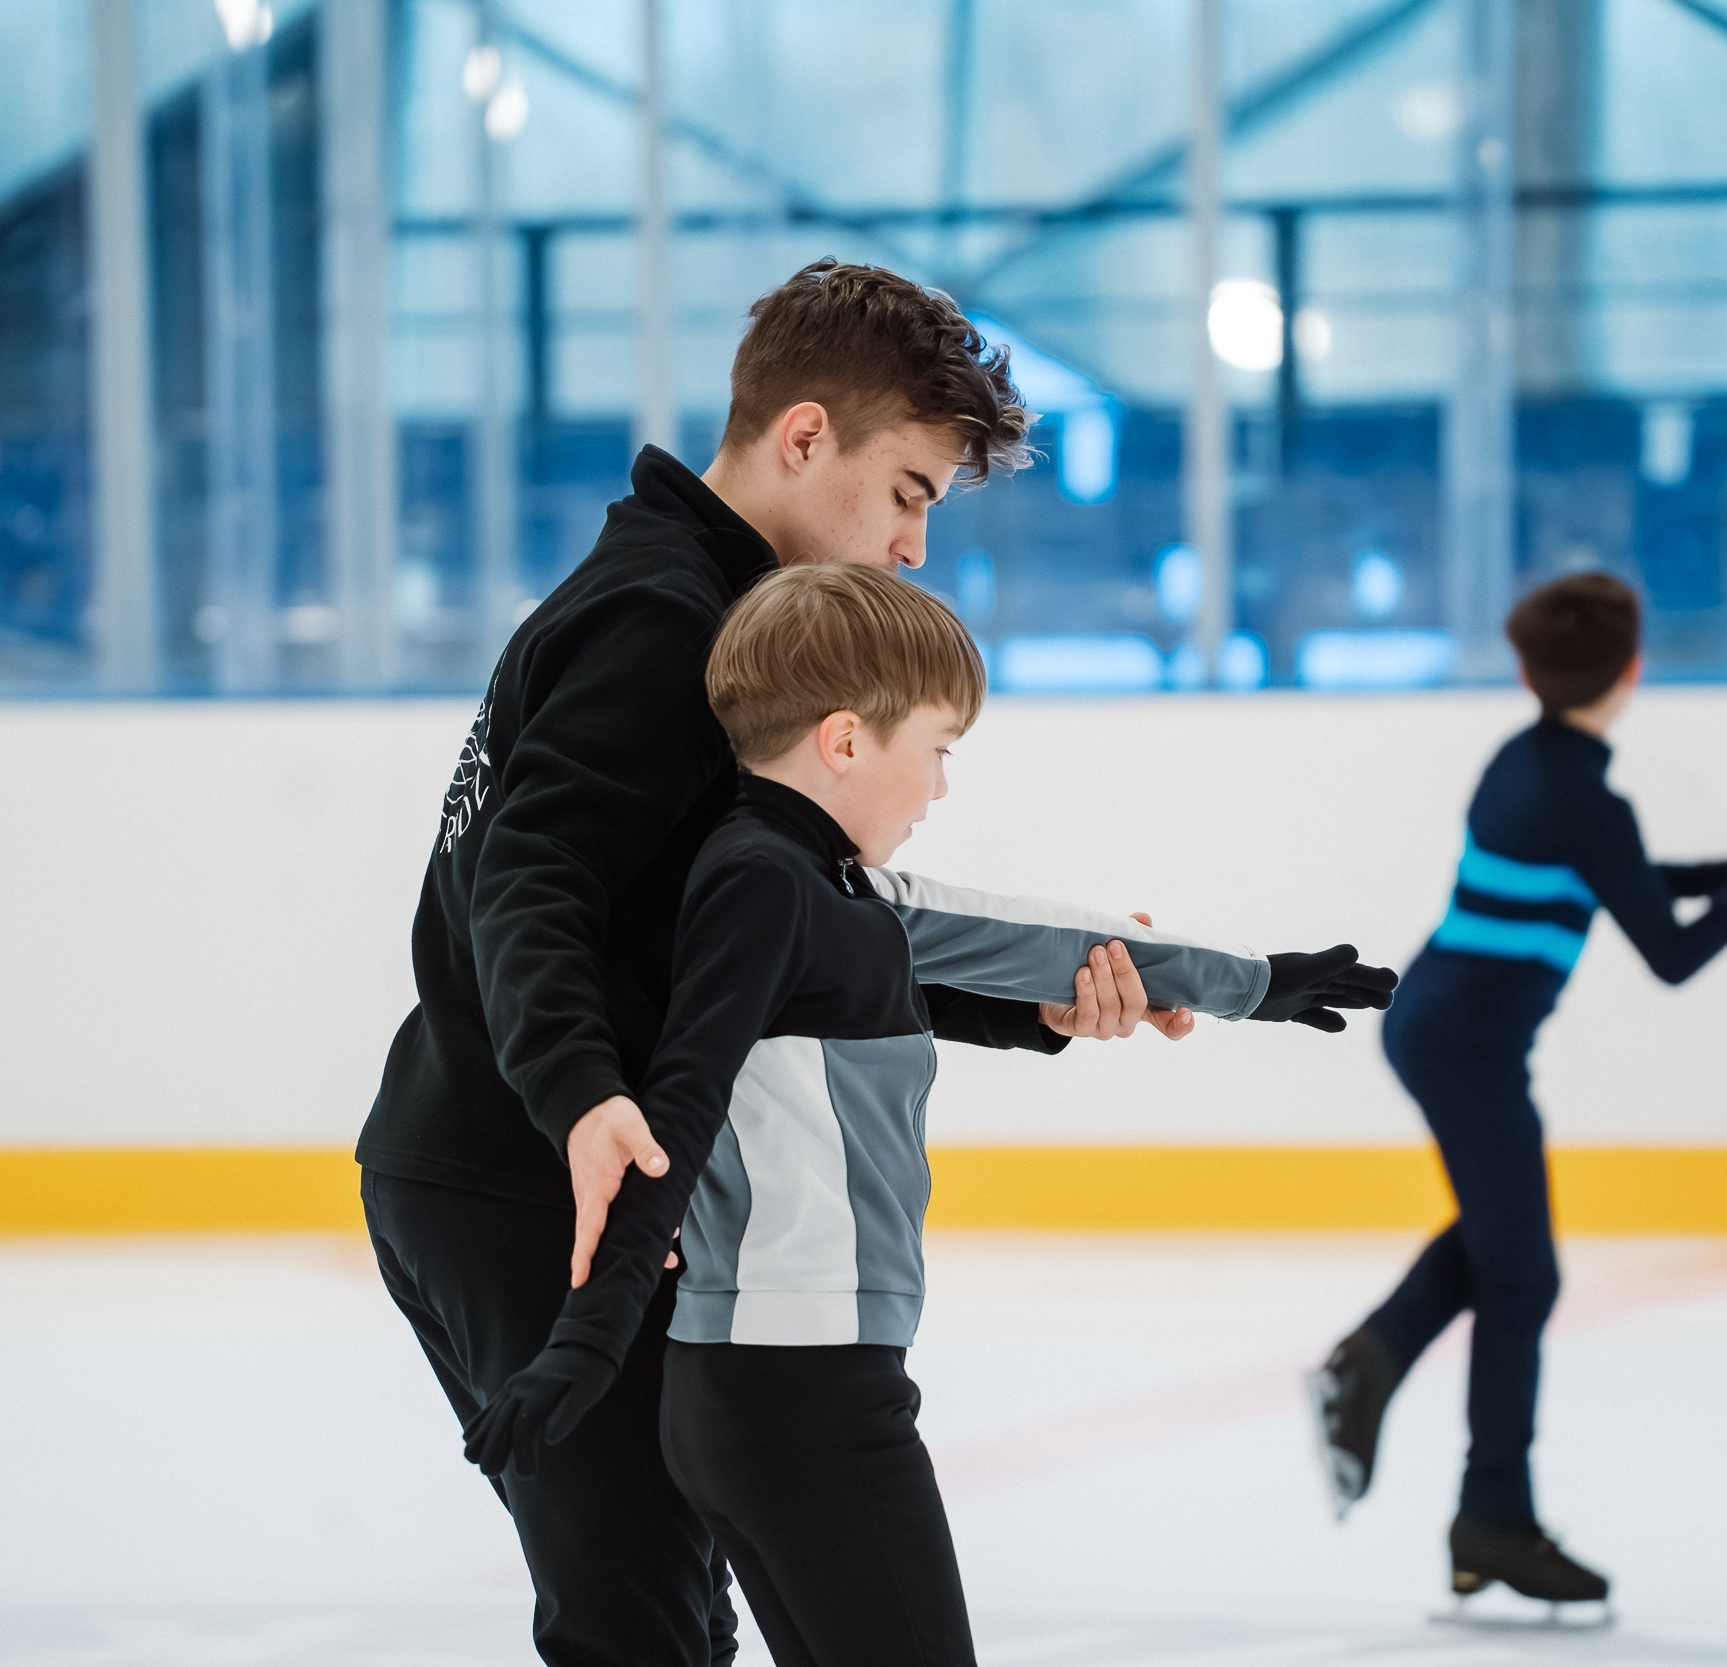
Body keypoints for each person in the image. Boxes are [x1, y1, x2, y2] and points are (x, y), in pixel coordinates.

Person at [355, 261, 1202, 1667]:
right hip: (535, 1179)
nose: (915, 545)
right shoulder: (664, 620)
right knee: (640, 1627)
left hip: (531, 1159)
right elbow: (531, 878)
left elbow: (750, 940)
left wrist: (1031, 999)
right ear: (805, 436)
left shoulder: (710, 614)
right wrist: (573, 1090)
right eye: (910, 491)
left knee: (674, 1617)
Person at [459, 564, 1395, 1667]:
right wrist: (589, 1340)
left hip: (774, 1388)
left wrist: (1258, 981)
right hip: (802, 1392)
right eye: (939, 749)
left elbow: (1039, 937)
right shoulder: (764, 884)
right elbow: (681, 1105)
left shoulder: (828, 887)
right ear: (846, 741)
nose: (941, 788)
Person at [1305, 572, 1727, 1609]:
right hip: (1467, 1044)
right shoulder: (1587, 795)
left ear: (1529, 670)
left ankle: (1389, 1387)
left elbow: (1605, 871)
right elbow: (1665, 948)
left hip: (1442, 1024)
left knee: (1505, 1249)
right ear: (1631, 669)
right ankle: (1486, 1509)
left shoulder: (1526, 765)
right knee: (1522, 1274)